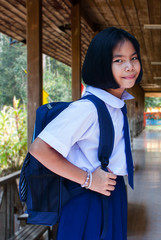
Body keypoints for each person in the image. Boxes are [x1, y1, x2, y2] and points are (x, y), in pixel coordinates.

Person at [29, 27, 143, 240]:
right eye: (118, 60)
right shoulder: (88, 108)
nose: (130, 66)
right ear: (101, 64)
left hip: (110, 193)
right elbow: (39, 149)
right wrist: (89, 180)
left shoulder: (116, 105)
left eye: (134, 58)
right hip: (88, 199)